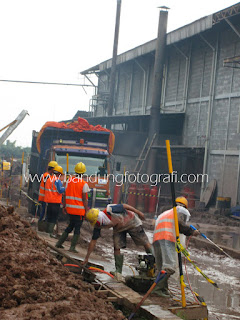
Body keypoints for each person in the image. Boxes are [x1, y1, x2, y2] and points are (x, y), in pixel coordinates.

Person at [83, 203, 152, 279]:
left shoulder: (111, 209)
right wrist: (87, 258)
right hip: (119, 227)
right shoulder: (98, 225)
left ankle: (154, 262)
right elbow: (93, 241)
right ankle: (118, 271)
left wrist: (138, 212)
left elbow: (125, 206)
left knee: (144, 241)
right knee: (117, 246)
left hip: (131, 221)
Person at [152, 196, 200, 297]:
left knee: (162, 267)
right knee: (170, 266)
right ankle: (157, 289)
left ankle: (163, 289)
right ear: (184, 207)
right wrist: (192, 232)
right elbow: (180, 225)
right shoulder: (177, 212)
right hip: (166, 239)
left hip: (157, 240)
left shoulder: (166, 213)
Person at [56, 162, 89, 253]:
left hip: (70, 209)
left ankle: (59, 243)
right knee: (77, 229)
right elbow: (84, 199)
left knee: (70, 226)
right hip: (79, 211)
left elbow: (65, 195)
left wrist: (64, 206)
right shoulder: (83, 184)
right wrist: (86, 211)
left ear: (75, 171)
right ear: (83, 173)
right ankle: (72, 247)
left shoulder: (68, 181)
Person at [44, 165, 65, 237]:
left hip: (49, 201)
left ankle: (47, 232)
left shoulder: (49, 179)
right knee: (53, 218)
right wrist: (65, 188)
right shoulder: (57, 181)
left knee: (49, 217)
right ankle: (50, 233)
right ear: (59, 174)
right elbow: (59, 190)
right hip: (55, 202)